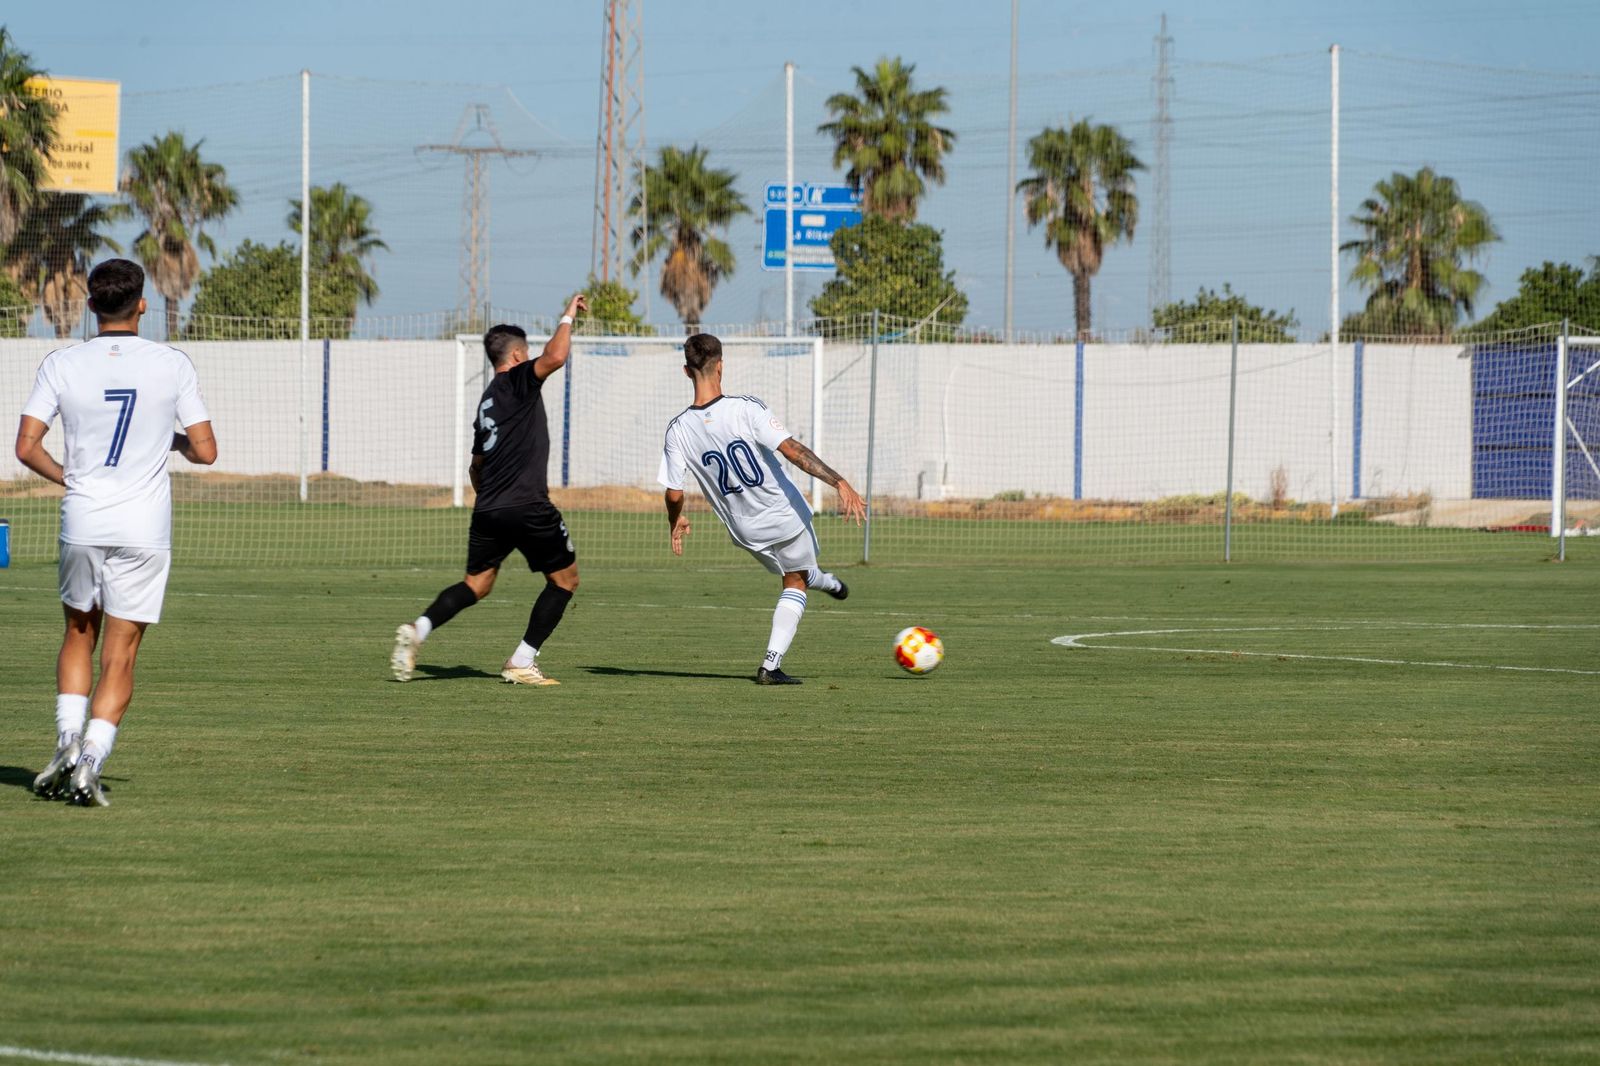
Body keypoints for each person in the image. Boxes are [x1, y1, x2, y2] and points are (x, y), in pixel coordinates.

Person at [17, 258, 217, 807]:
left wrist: (71, 478)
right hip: (143, 528)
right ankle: (91, 762)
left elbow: (26, 446)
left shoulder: (62, 362)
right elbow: (206, 451)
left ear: (89, 307)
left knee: (79, 632)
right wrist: (168, 441)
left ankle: (65, 739)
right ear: (143, 305)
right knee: (121, 653)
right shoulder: (171, 363)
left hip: (83, 517)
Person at [391, 295, 588, 685]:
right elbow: (557, 357)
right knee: (565, 581)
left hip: (489, 509)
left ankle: (420, 629)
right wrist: (567, 315)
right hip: (527, 504)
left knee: (476, 585)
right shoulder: (517, 380)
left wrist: (491, 503)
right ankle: (521, 660)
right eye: (527, 352)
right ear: (516, 356)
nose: (532, 358)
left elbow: (475, 466)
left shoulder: (487, 402)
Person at [659, 333, 866, 685]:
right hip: (784, 516)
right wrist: (838, 482)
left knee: (796, 571)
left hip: (744, 532)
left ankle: (829, 582)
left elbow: (674, 492)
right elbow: (791, 450)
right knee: (796, 581)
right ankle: (770, 666)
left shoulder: (677, 430)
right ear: (721, 366)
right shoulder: (745, 408)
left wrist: (675, 520)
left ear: (685, 371)